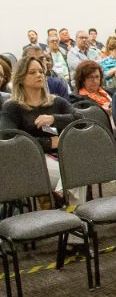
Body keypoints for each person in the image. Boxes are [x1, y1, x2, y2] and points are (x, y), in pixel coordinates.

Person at [1, 56, 85, 203]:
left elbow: (82, 121)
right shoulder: (12, 107)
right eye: (32, 72)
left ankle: (63, 201)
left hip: (62, 155)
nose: (39, 75)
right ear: (21, 78)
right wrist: (48, 142)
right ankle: (75, 216)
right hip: (32, 159)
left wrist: (54, 119)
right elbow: (8, 139)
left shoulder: (56, 101)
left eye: (41, 71)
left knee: (78, 169)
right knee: (75, 174)